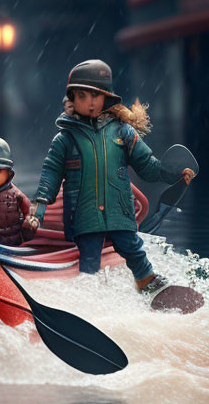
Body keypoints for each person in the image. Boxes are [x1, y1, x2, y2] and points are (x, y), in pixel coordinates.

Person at [23, 60, 195, 293]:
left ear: (106, 98)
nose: (90, 102)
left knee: (133, 248)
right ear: (72, 99)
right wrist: (37, 214)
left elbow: (147, 166)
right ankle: (90, 296)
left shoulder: (124, 132)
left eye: (96, 95)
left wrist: (174, 174)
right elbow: (48, 180)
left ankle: (148, 283)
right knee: (90, 258)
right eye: (82, 96)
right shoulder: (64, 140)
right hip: (84, 212)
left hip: (119, 210)